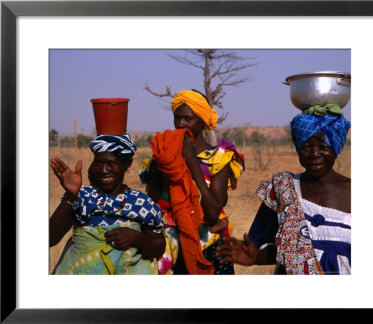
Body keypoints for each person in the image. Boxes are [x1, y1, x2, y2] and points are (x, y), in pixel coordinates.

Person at [216, 109, 351, 275]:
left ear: (336, 147)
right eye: (306, 147)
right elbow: (275, 248)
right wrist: (257, 257)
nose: (314, 154)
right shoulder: (282, 189)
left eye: (323, 147)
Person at [139, 89, 245, 274]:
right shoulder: (165, 157)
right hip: (169, 246)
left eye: (188, 119)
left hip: (208, 245)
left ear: (203, 122)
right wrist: (164, 164)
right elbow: (154, 205)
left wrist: (192, 162)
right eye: (177, 118)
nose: (180, 124)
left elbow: (212, 214)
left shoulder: (218, 158)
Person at [50, 134, 165, 275]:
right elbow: (50, 239)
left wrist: (136, 238)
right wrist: (70, 195)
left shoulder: (142, 204)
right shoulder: (82, 197)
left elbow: (159, 247)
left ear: (127, 164)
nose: (104, 170)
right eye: (98, 163)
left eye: (112, 164)